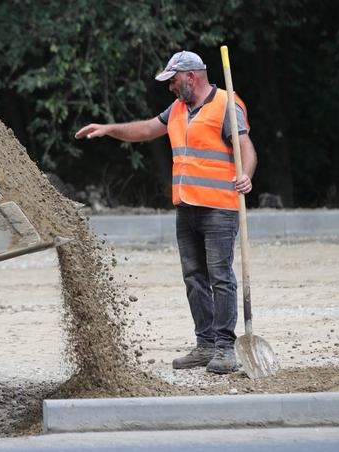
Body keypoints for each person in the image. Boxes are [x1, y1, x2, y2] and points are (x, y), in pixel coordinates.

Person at [75, 50, 257, 374]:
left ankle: (226, 349)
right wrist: (109, 128)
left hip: (218, 208)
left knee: (221, 278)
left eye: (173, 81)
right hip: (185, 207)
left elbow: (246, 148)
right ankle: (205, 345)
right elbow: (146, 129)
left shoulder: (226, 105)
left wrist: (247, 175)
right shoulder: (177, 109)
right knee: (194, 278)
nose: (170, 87)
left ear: (191, 77)